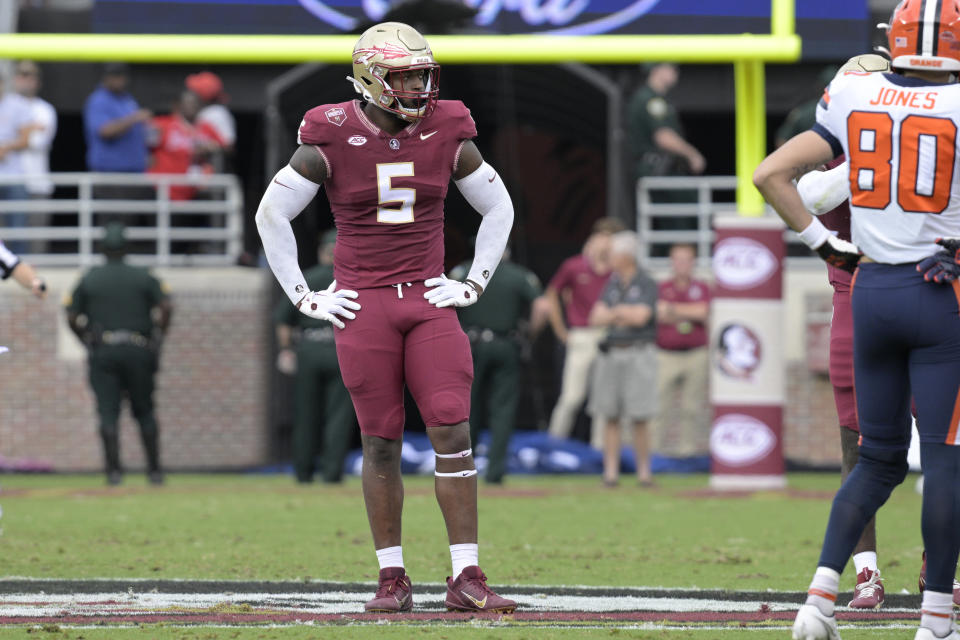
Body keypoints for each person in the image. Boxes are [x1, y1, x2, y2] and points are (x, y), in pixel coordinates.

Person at [255, 22, 517, 614]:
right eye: (405, 76)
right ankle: (392, 577)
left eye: (423, 74)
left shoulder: (449, 126)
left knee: (452, 428)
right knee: (379, 442)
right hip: (363, 301)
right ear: (373, 78)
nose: (420, 87)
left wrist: (472, 281)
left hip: (427, 300)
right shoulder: (328, 133)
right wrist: (304, 296)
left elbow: (498, 205)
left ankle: (466, 575)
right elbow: (271, 215)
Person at [754, 3, 960, 638]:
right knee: (948, 462)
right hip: (939, 292)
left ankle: (816, 604)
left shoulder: (851, 90)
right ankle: (935, 618)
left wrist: (826, 245)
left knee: (875, 460)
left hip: (869, 288)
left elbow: (771, 174)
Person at [797, 53, 960, 613]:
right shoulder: (852, 138)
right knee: (866, 445)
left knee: (931, 451)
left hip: (893, 291)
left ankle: (935, 571)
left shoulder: (922, 127)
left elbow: (781, 181)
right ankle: (873, 577)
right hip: (879, 297)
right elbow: (811, 194)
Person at [65, 222, 173, 486]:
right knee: (144, 410)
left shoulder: (90, 277)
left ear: (102, 248)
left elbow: (70, 315)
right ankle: (154, 472)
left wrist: (85, 340)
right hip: (138, 349)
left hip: (104, 350)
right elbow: (166, 306)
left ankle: (114, 473)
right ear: (127, 247)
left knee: (107, 412)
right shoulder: (143, 275)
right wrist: (158, 337)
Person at [450, 246, 544, 485]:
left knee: (468, 408)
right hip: (505, 343)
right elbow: (543, 307)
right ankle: (495, 471)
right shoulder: (518, 274)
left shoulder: (463, 271)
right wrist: (531, 334)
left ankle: (463, 470)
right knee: (503, 409)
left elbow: (444, 304)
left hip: (470, 344)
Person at [274, 229, 355, 484]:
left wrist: (286, 350)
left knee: (305, 413)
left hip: (308, 349)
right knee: (339, 416)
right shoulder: (351, 281)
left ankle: (303, 472)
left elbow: (284, 321)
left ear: (322, 252)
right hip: (342, 350)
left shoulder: (306, 279)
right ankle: (332, 473)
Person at [587, 231, 658, 487]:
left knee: (640, 416)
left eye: (614, 253)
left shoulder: (647, 282)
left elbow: (642, 317)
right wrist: (624, 313)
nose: (610, 258)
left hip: (638, 351)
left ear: (627, 256)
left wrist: (614, 313)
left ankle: (644, 474)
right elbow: (595, 317)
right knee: (609, 414)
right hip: (612, 351)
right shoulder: (612, 283)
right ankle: (611, 474)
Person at [544, 217, 622, 444]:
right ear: (595, 239)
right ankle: (553, 446)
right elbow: (552, 292)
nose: (606, 244)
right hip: (582, 335)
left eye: (610, 239)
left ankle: (600, 454)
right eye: (603, 238)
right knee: (572, 397)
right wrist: (560, 330)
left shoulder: (618, 270)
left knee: (603, 401)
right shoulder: (575, 265)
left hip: (610, 336)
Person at [649, 243, 710, 458]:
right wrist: (688, 313)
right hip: (666, 354)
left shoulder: (701, 287)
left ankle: (687, 453)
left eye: (686, 260)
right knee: (659, 406)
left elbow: (703, 312)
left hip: (695, 354)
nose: (682, 265)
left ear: (693, 263)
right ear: (671, 263)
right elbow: (657, 313)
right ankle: (654, 453)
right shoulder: (661, 287)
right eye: (678, 260)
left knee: (690, 408)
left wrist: (673, 310)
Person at [147, 90, 218, 201]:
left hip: (194, 191)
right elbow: (144, 147)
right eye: (187, 103)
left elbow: (224, 148)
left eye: (194, 103)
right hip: (163, 189)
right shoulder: (163, 124)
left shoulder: (206, 127)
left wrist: (210, 148)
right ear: (178, 105)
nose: (191, 107)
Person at [83, 63, 151, 176]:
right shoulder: (98, 100)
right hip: (110, 172)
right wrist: (134, 118)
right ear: (106, 78)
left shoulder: (127, 98)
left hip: (135, 170)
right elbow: (105, 131)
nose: (120, 80)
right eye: (116, 76)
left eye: (122, 76)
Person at [0, 70, 36, 255]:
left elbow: (26, 140)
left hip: (14, 176)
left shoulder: (17, 105)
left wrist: (7, 147)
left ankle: (19, 269)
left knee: (18, 228)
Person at [185, 71, 235, 172]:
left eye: (195, 91)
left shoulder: (217, 113)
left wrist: (208, 147)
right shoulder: (203, 112)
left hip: (213, 170)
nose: (192, 94)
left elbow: (228, 146)